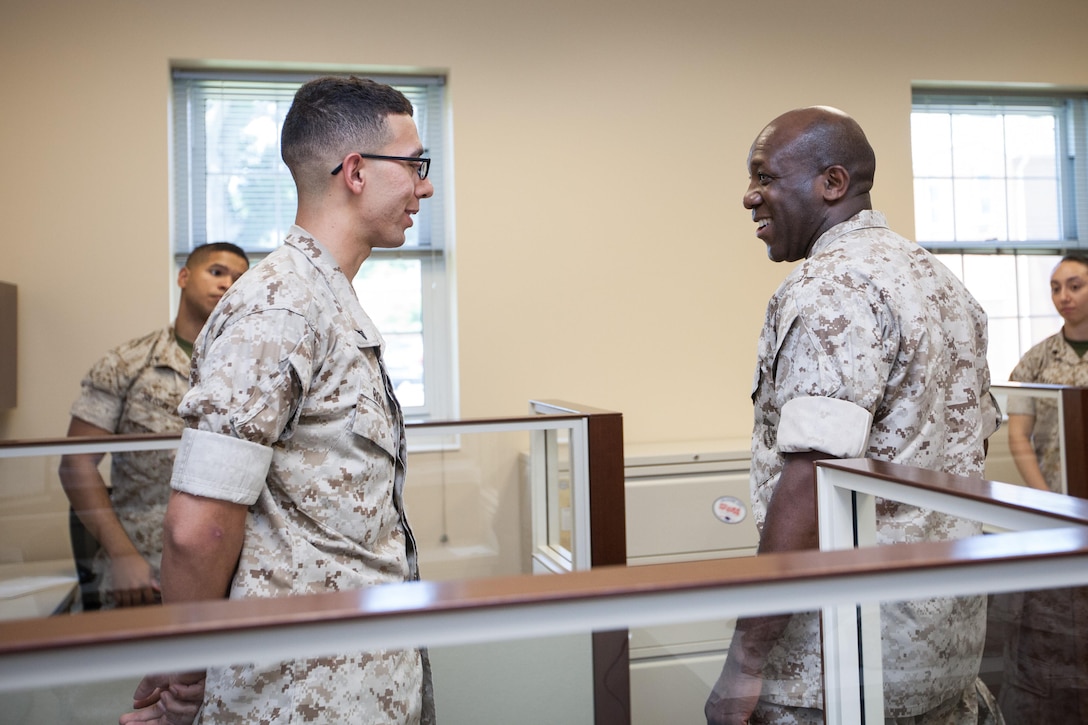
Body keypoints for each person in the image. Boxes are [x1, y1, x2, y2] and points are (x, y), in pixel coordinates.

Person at [119, 76, 436, 725]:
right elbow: (197, 525)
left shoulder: (327, 301)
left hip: (362, 679)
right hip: (295, 695)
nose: (424, 186)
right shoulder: (279, 307)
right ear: (355, 171)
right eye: (414, 164)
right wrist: (182, 664)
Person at [704, 106, 1002, 725]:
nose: (748, 196)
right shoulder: (942, 282)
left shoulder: (832, 286)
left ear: (832, 184)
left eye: (764, 176)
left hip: (841, 668)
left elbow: (811, 479)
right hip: (942, 654)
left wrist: (746, 660)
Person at [59, 242, 249, 609]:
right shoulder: (128, 363)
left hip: (231, 570)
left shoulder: (247, 368)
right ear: (184, 276)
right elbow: (75, 464)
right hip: (144, 567)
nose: (227, 284)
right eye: (217, 272)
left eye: (239, 279)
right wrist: (121, 554)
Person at [996, 254, 1088, 721]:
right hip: (1062, 509)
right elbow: (1018, 435)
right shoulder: (1036, 359)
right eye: (1055, 288)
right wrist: (1047, 501)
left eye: (1075, 285)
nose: (1064, 297)